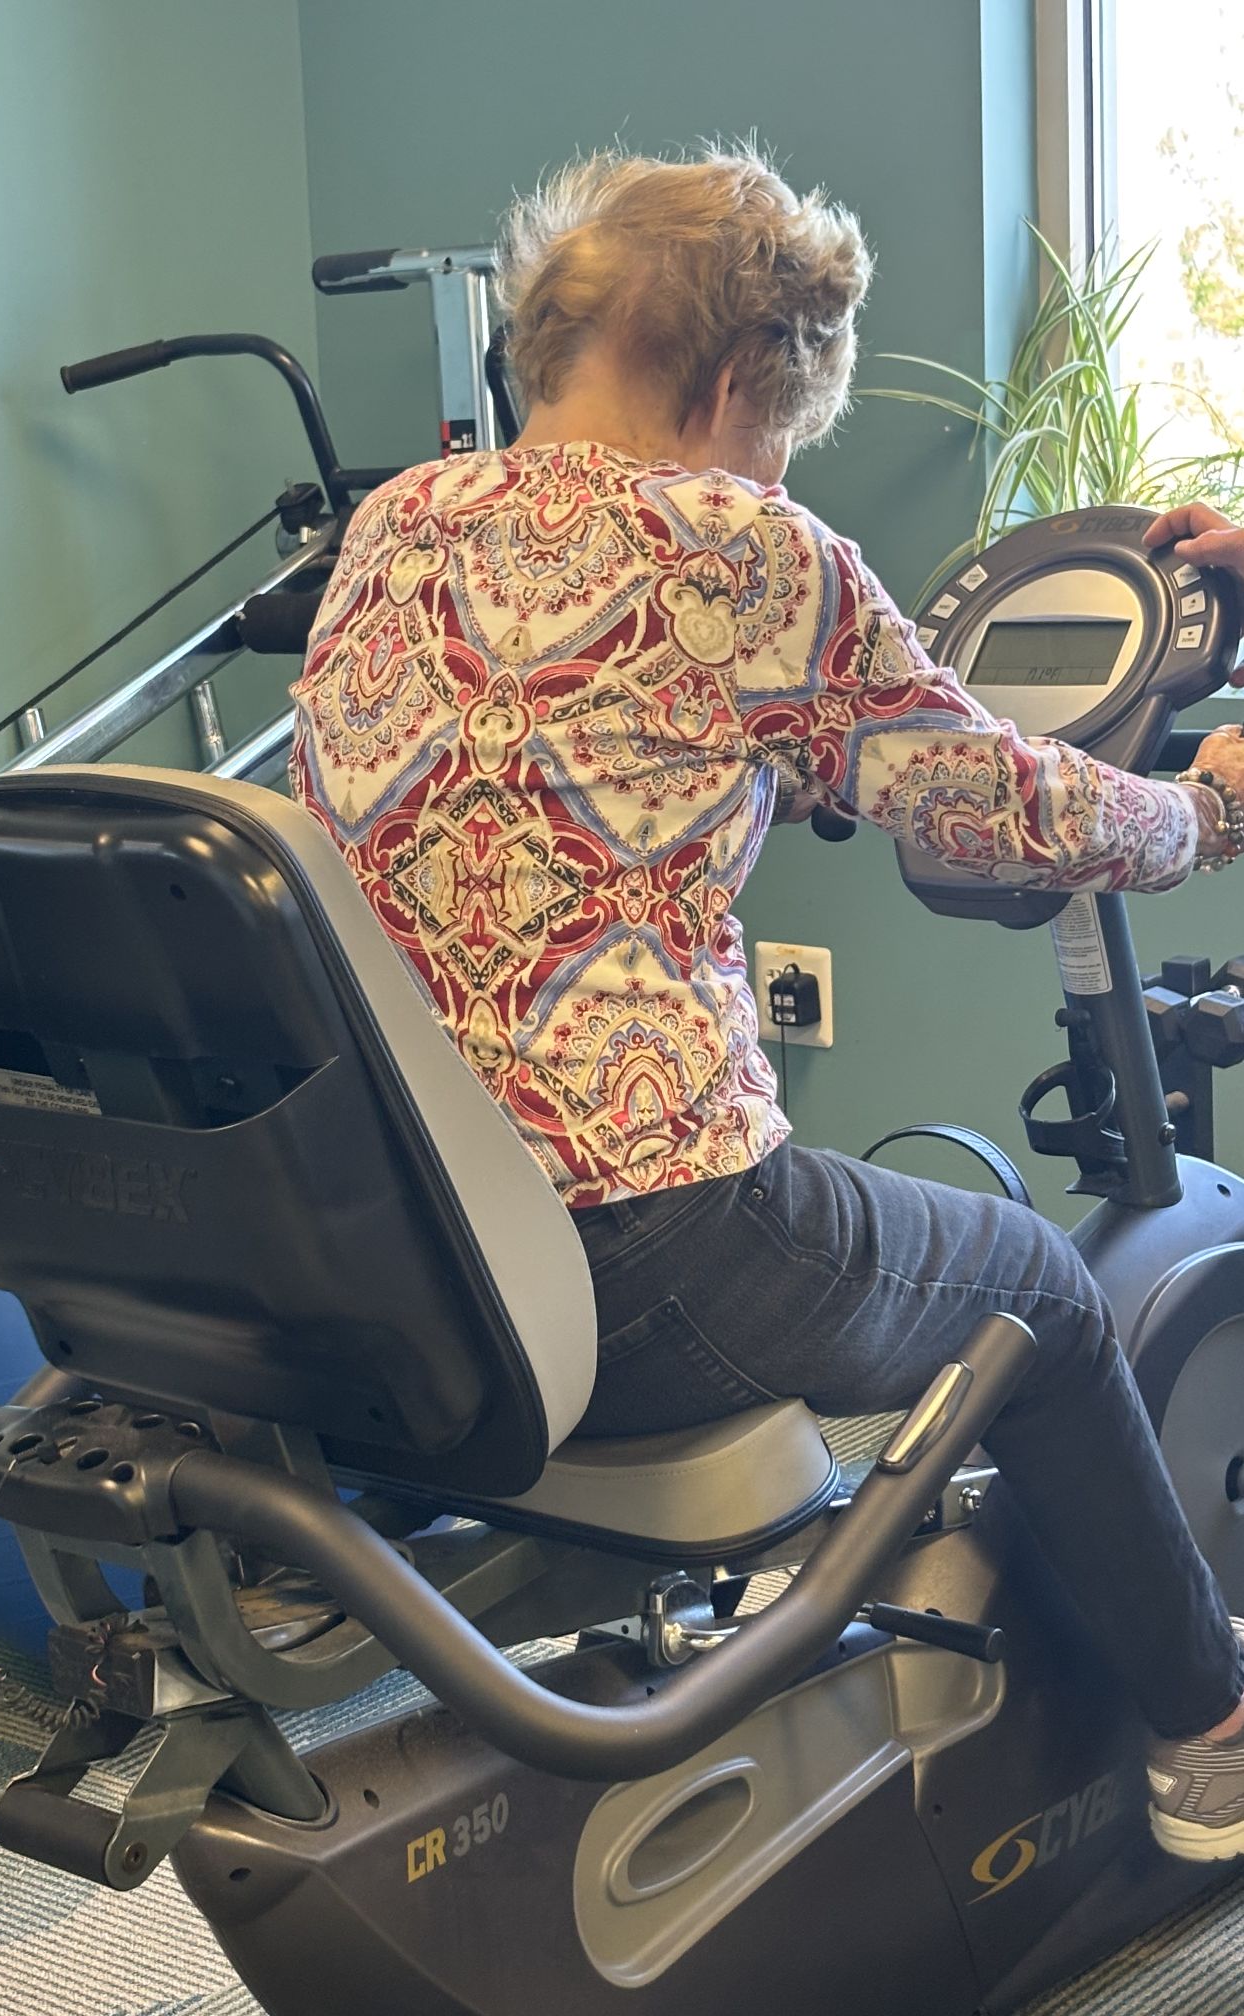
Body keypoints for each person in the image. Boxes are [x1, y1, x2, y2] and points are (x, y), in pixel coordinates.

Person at [289, 145, 1244, 1859]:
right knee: (1040, 1290)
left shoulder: (394, 524)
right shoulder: (740, 545)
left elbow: (555, 771)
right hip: (651, 1258)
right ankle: (1214, 1735)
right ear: (744, 373)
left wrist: (770, 769)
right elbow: (1006, 805)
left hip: (399, 1247)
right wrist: (1210, 807)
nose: (779, 469)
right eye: (783, 434)